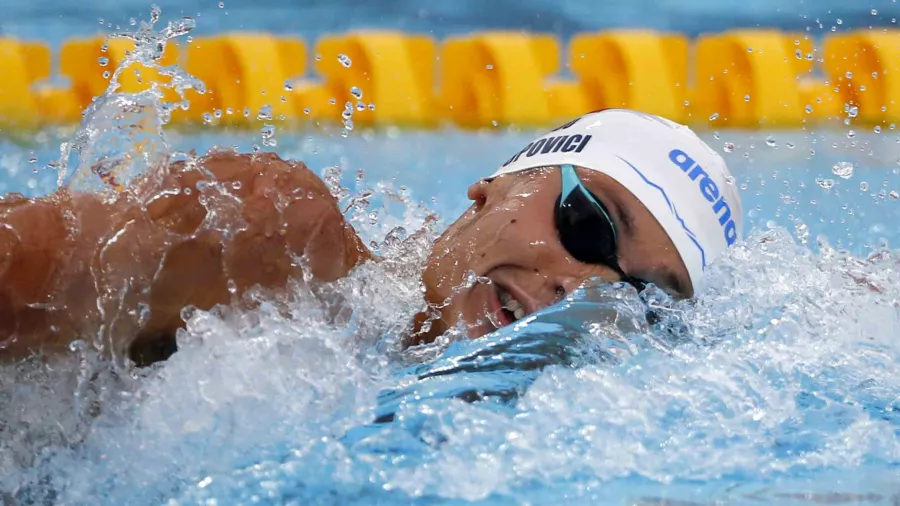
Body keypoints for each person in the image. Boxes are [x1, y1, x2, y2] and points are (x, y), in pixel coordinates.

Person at [0, 109, 742, 365]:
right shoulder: (271, 240)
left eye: (640, 298)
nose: (580, 291)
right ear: (494, 186)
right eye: (588, 226)